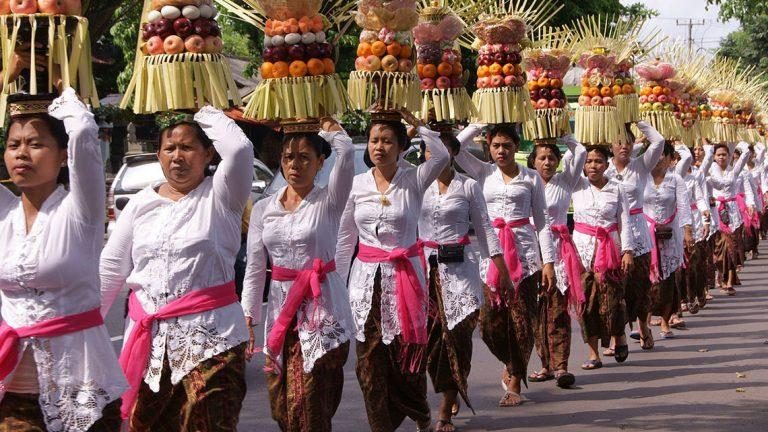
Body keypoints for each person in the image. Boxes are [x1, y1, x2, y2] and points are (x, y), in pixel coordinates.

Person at [100, 107, 254, 430]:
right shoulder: (141, 204)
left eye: (187, 147)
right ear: (158, 153)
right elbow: (111, 270)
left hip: (214, 341)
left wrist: (195, 104)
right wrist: (80, 332)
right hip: (151, 348)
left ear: (208, 152)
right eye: (169, 148)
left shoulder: (222, 195)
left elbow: (239, 149)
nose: (177, 156)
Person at [0, 89, 127, 432]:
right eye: (14, 145)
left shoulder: (80, 210)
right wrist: (6, 82)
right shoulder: (3, 212)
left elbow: (84, 133)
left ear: (62, 156)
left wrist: (63, 90)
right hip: (12, 392)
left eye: (35, 143)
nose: (22, 153)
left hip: (81, 383)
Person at [336, 109, 449, 432]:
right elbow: (345, 242)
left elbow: (440, 155)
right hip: (365, 282)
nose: (379, 147)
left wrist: (418, 125)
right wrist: (337, 288)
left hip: (406, 281)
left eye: (387, 141)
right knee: (369, 364)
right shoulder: (356, 186)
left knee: (406, 361)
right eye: (374, 140)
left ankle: (420, 412)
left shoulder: (414, 178)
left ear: (401, 147)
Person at [242, 118, 355, 432]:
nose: (295, 164)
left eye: (305, 157)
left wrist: (329, 127)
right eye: (288, 157)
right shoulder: (265, 208)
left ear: (320, 162)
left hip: (323, 313)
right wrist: (248, 317)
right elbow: (254, 268)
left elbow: (345, 155)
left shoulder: (329, 201)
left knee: (310, 402)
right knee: (283, 406)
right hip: (281, 316)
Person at [454, 124, 555, 407]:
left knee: (523, 322)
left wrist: (548, 262)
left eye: (507, 145)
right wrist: (480, 123)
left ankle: (514, 382)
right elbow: (455, 148)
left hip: (525, 258)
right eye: (496, 145)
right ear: (489, 147)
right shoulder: (483, 172)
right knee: (488, 324)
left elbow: (543, 222)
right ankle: (511, 361)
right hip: (491, 257)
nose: (501, 151)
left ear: (516, 147)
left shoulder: (531, 178)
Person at [417, 131, 506, 432]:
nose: (436, 156)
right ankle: (446, 386)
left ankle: (445, 409)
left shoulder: (468, 185)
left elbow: (484, 227)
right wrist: (415, 125)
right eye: (430, 150)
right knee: (430, 346)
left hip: (461, 274)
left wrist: (500, 266)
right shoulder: (415, 185)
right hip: (424, 271)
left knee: (456, 340)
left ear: (454, 152)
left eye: (443, 149)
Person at [527, 136, 586, 388]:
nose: (547, 162)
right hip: (530, 252)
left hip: (559, 254)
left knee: (557, 310)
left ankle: (561, 366)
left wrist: (557, 133)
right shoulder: (525, 182)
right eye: (542, 157)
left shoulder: (566, 181)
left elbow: (580, 150)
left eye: (552, 158)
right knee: (536, 312)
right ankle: (544, 364)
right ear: (533, 161)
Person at [572, 145, 634, 370]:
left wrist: (627, 251)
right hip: (581, 252)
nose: (593, 166)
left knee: (611, 302)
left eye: (598, 161)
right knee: (586, 304)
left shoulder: (617, 189)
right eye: (588, 161)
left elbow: (625, 221)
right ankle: (593, 353)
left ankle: (619, 335)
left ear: (607, 165)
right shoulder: (576, 185)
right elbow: (573, 152)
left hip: (610, 251)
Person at [605, 121, 664, 350]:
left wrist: (634, 119)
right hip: (612, 235)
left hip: (638, 233)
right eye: (619, 142)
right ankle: (616, 335)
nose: (624, 147)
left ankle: (643, 325)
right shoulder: (603, 168)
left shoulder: (640, 166)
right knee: (615, 288)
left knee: (639, 286)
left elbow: (658, 141)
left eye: (628, 142)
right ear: (610, 145)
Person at [644, 142, 693, 339]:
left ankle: (665, 321)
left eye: (662, 154)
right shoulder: (641, 178)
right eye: (653, 154)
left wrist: (687, 231)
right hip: (646, 235)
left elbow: (683, 205)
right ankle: (643, 323)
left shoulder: (676, 179)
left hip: (671, 235)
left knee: (668, 279)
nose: (658, 158)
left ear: (669, 157)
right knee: (646, 280)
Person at [708, 142, 752, 294]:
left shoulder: (734, 170)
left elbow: (746, 154)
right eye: (718, 155)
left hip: (732, 212)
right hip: (716, 212)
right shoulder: (709, 171)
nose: (721, 157)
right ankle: (721, 277)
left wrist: (738, 140)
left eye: (724, 155)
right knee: (720, 248)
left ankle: (729, 280)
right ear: (714, 157)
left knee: (732, 246)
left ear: (729, 156)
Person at [674, 144, 710, 312]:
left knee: (693, 265)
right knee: (677, 267)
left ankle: (695, 294)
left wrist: (705, 214)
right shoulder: (661, 179)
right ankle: (682, 300)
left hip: (691, 224)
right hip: (672, 228)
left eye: (677, 159)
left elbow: (700, 198)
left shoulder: (692, 179)